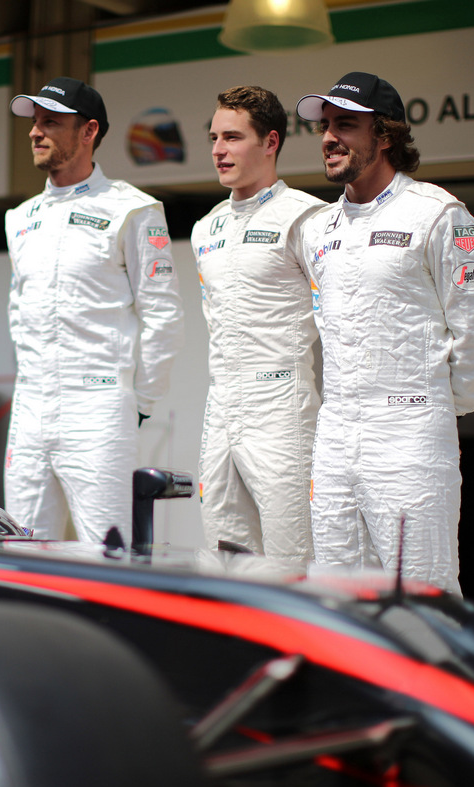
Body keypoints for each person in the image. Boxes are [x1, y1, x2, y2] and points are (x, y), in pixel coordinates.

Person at [296, 72, 474, 594]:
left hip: (411, 432)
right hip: (337, 430)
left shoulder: (438, 214)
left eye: (345, 124)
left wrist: (434, 404)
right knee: (336, 596)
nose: (328, 137)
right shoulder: (317, 229)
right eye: (325, 126)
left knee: (422, 595)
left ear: (385, 136)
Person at [4, 78, 184, 543]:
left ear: (88, 132)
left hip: (100, 406)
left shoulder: (134, 209)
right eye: (34, 122)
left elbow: (163, 314)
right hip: (29, 409)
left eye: (50, 122)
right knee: (21, 551)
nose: (34, 132)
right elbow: (17, 311)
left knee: (107, 552)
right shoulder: (19, 217)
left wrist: (138, 403)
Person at [192, 85, 324, 560]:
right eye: (213, 138)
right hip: (221, 405)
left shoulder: (309, 217)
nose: (218, 150)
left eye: (232, 137)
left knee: (293, 560)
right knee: (224, 552)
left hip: (282, 405)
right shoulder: (203, 228)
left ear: (270, 142)